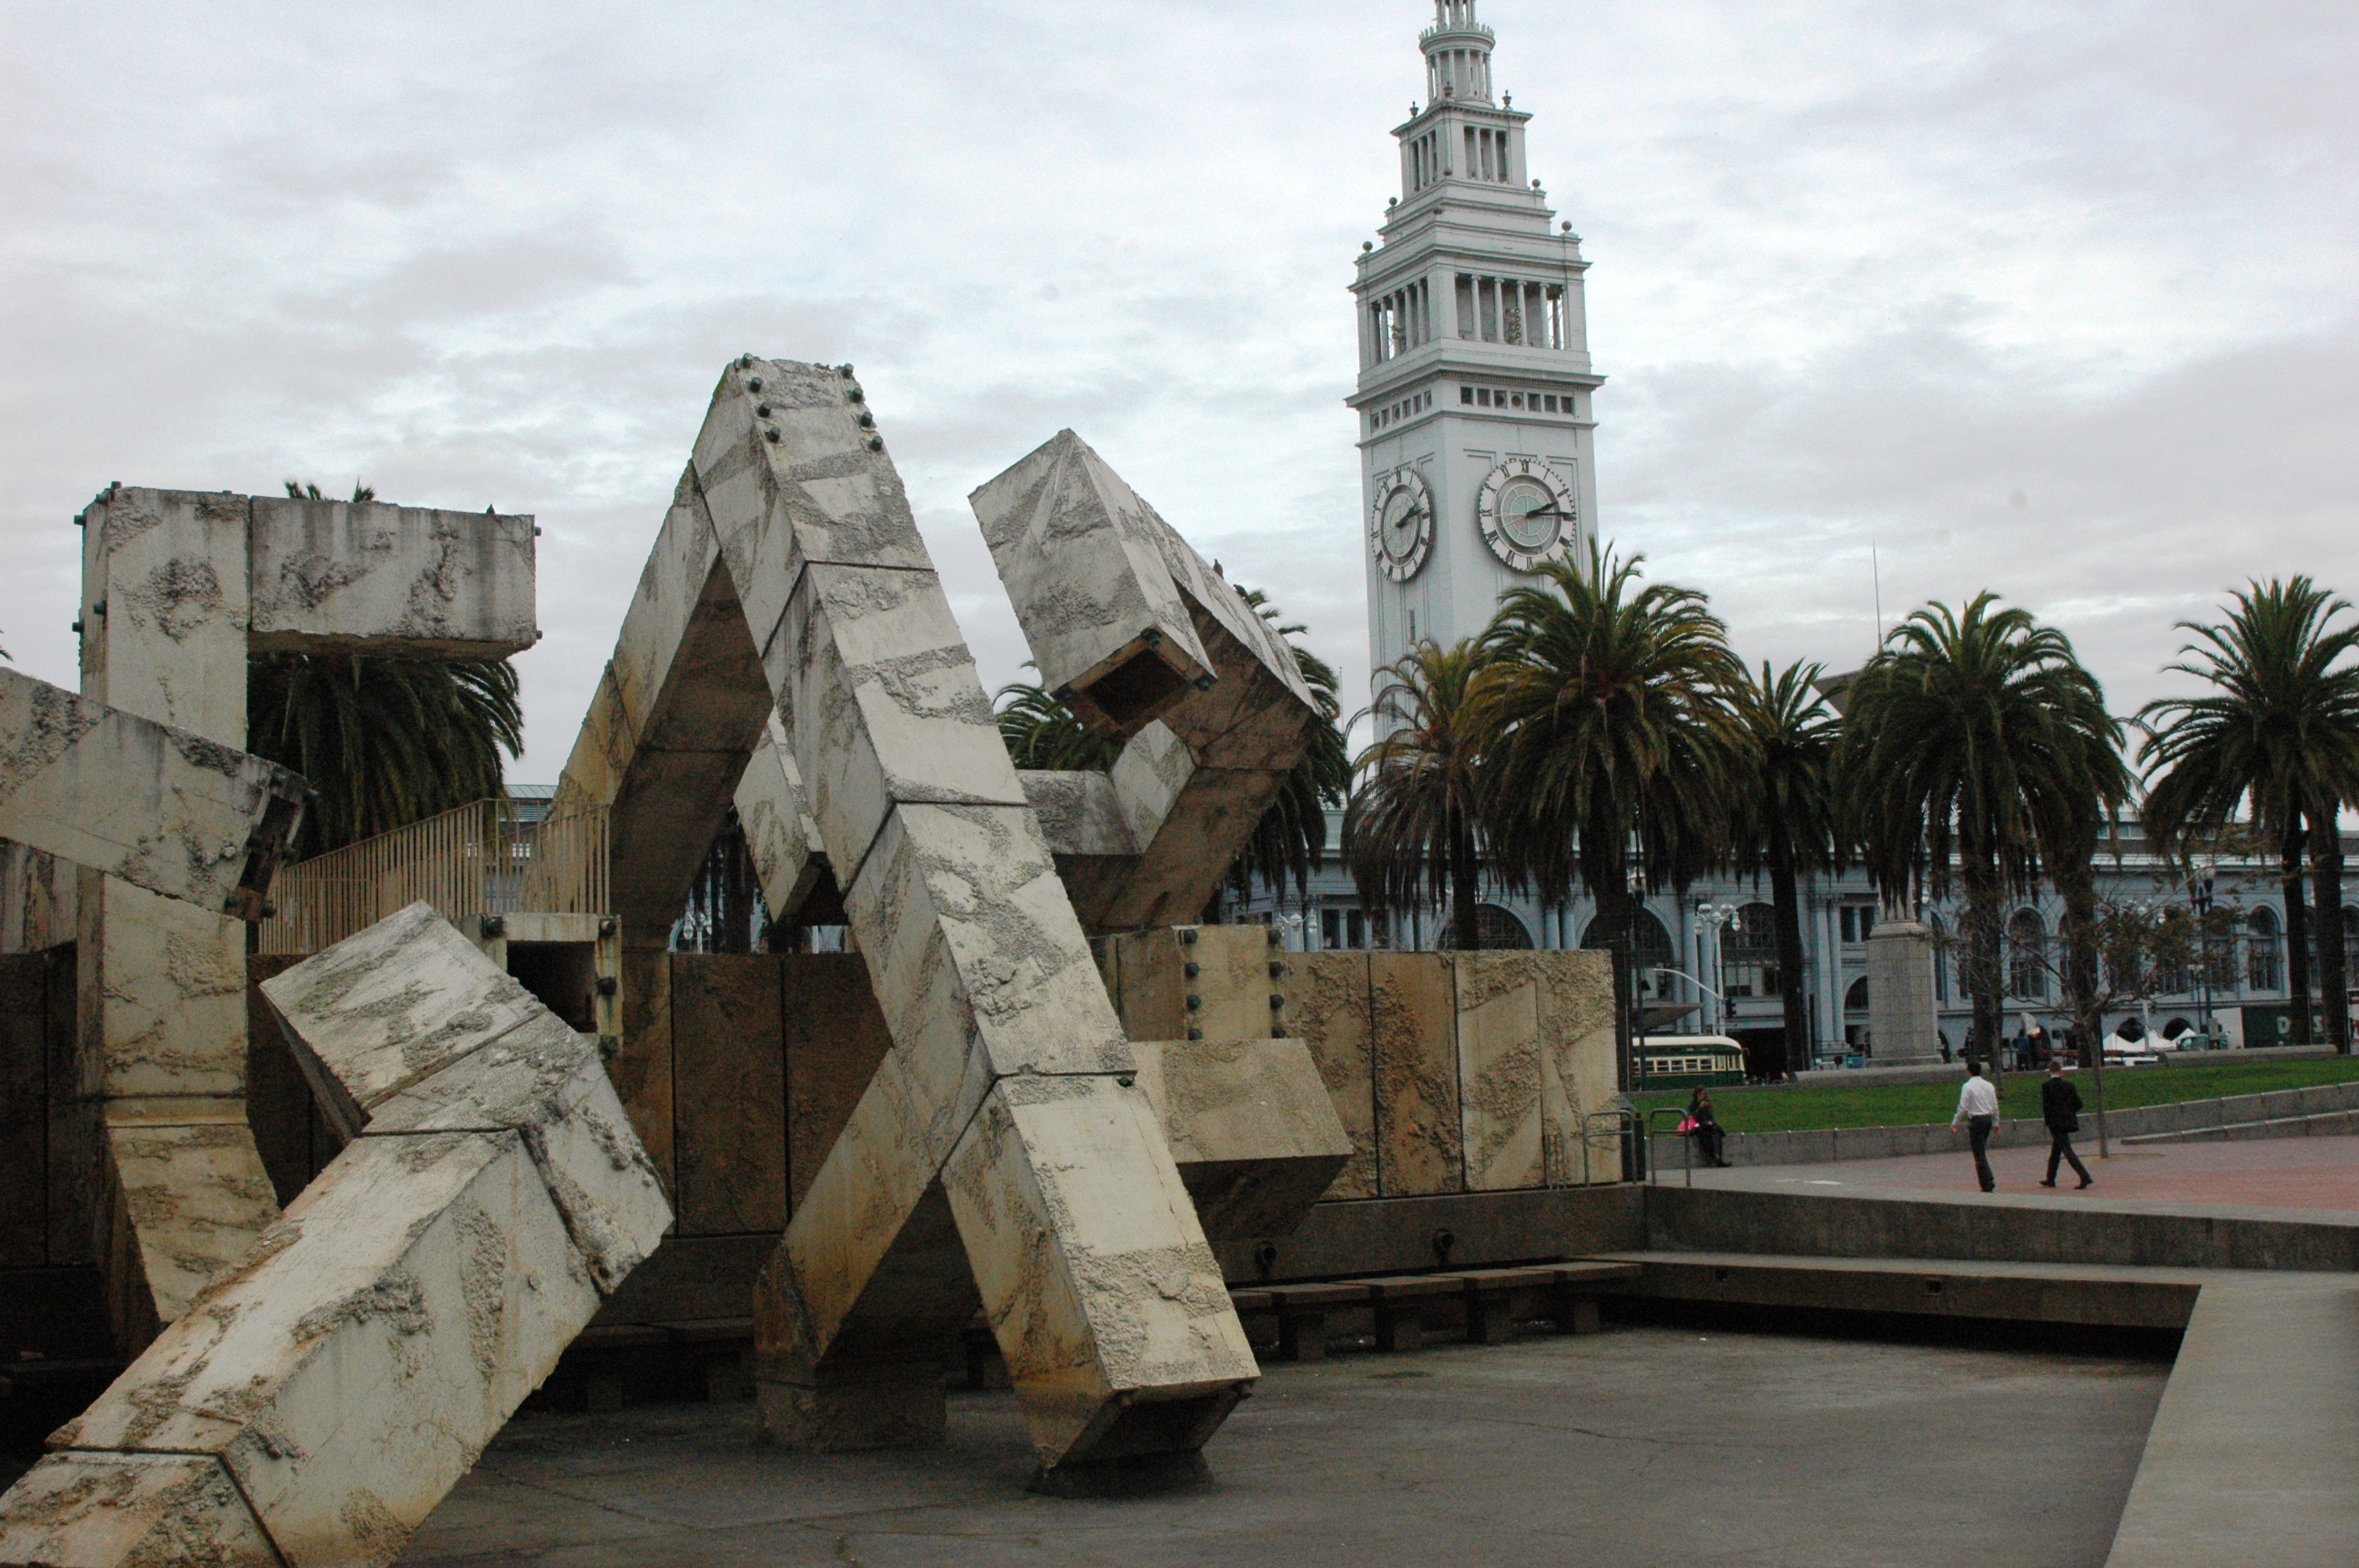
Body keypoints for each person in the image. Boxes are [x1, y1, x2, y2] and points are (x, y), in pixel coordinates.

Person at [2038, 1058, 2094, 1189]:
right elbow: (2079, 1104)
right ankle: (2050, 1178)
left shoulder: (2046, 1086)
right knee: (2056, 1151)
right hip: (2068, 1121)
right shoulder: (2069, 1086)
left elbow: (2046, 1107)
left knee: (2066, 1150)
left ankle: (2084, 1176)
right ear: (2060, 1072)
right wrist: (2069, 1112)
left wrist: (2048, 1121)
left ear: (2049, 1072)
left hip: (2055, 1123)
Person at [1950, 1061, 2000, 1192]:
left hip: (1976, 1120)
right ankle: (1989, 1178)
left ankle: (1986, 1183)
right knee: (1981, 1150)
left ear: (1969, 1071)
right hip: (1988, 1119)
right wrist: (1996, 1122)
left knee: (1979, 1154)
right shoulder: (1989, 1085)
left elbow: (1963, 1107)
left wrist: (1955, 1122)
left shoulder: (1968, 1086)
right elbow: (1994, 1105)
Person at [1684, 1087, 1730, 1168]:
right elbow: (1694, 1117)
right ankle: (1711, 1158)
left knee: (1716, 1132)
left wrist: (1710, 1122)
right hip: (1699, 1126)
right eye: (1700, 1094)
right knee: (1704, 1134)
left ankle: (1717, 1156)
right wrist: (1699, 1109)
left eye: (1703, 1094)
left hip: (1708, 1125)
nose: (1702, 1096)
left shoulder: (1707, 1104)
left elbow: (1711, 1117)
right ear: (1696, 1095)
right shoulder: (1693, 1105)